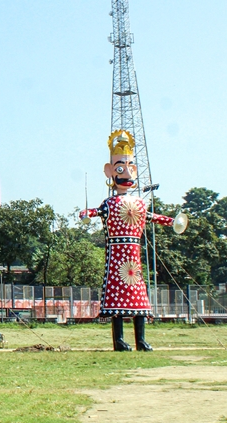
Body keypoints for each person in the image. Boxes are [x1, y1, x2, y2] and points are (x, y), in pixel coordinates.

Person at [80, 130, 187, 351]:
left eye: (129, 169)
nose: (126, 175)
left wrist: (173, 222)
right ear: (110, 172)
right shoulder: (109, 204)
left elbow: (153, 218)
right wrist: (85, 213)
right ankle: (119, 339)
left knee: (138, 297)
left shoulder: (139, 204)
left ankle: (140, 340)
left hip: (133, 257)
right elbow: (95, 212)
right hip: (117, 255)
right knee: (116, 298)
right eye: (120, 169)